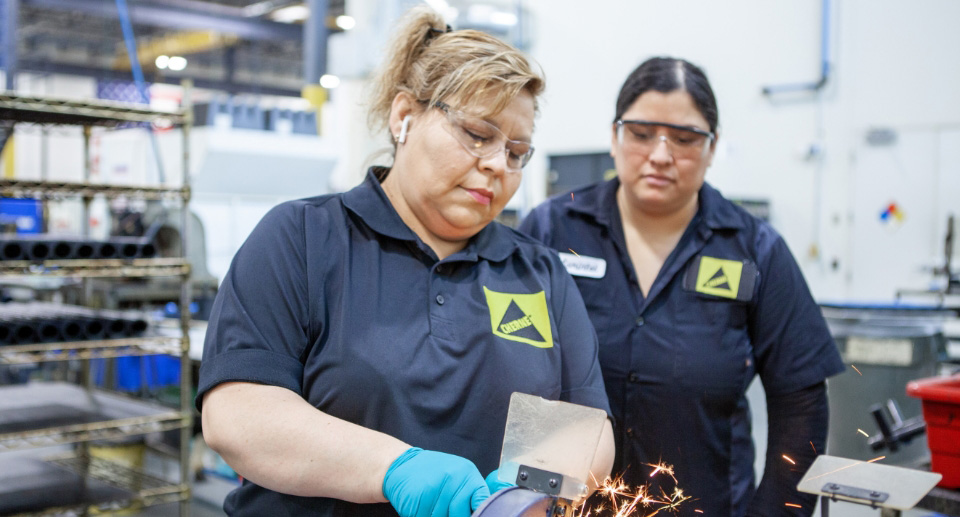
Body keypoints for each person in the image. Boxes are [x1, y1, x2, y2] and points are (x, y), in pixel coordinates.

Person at [197, 7, 614, 517]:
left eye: (516, 151)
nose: (496, 165)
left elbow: (587, 426)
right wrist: (393, 467)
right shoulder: (304, 239)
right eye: (478, 134)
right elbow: (238, 414)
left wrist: (531, 485)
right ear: (404, 117)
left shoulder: (539, 274)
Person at [519, 57, 845, 516]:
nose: (660, 154)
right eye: (641, 133)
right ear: (614, 137)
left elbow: (801, 403)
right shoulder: (552, 229)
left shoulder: (756, 250)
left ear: (712, 149)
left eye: (686, 139)